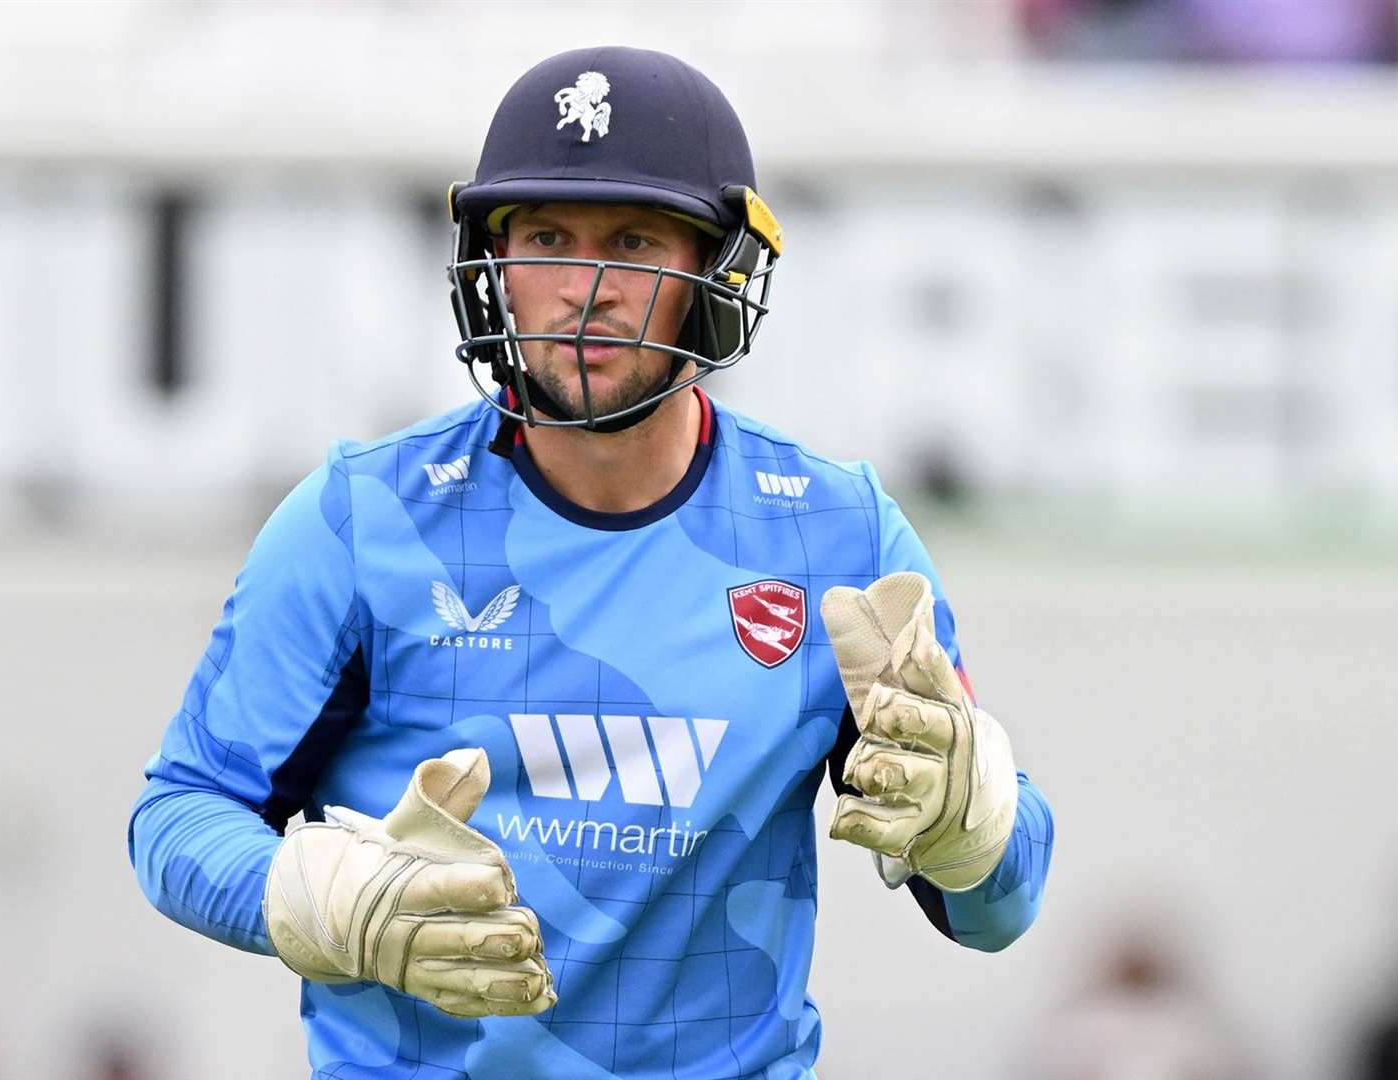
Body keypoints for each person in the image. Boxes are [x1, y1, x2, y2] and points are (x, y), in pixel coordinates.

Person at [129, 45, 1055, 1078]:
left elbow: (999, 913)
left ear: (718, 273)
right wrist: (334, 903)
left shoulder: (833, 535)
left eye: (632, 240)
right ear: (494, 266)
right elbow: (178, 818)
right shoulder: (363, 519)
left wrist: (966, 823)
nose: (583, 289)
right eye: (546, 238)